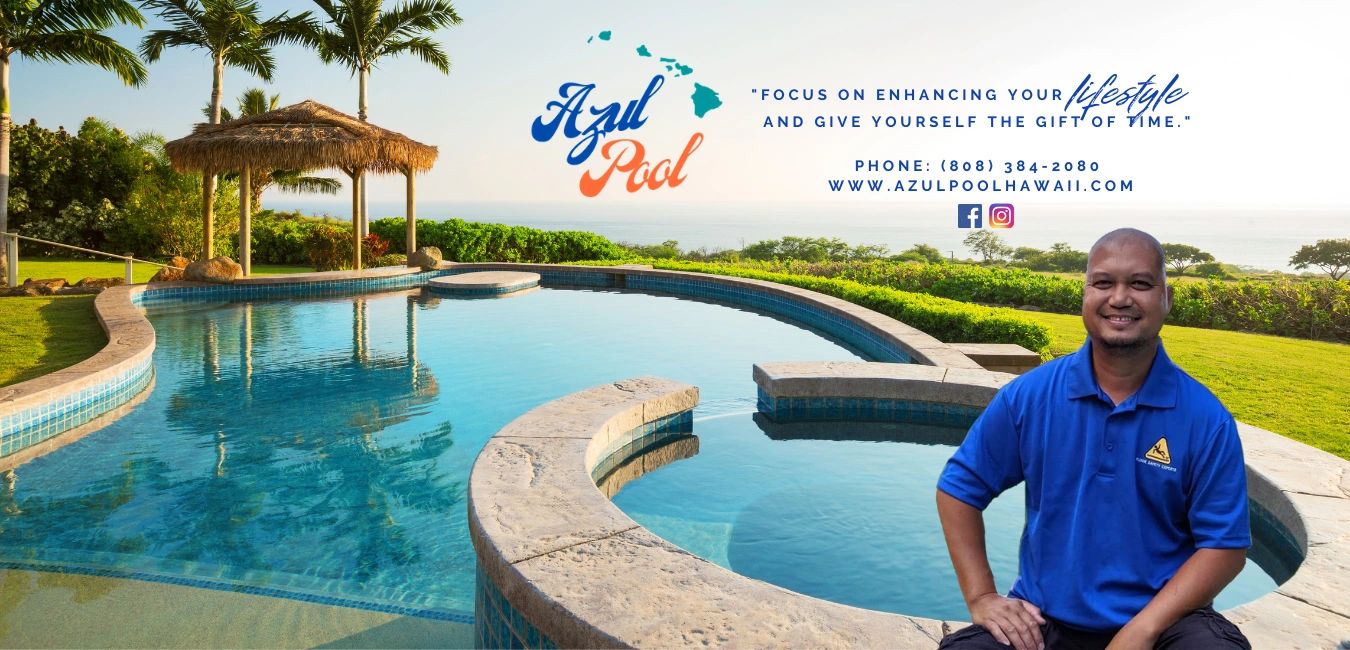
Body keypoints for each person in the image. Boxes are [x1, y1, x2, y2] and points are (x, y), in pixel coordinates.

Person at [935, 228, 1252, 650]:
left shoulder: (1204, 418)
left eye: (1140, 283)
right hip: (1045, 620)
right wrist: (981, 596)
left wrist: (1142, 630)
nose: (1120, 298)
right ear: (1085, 295)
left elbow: (1225, 546)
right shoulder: (1030, 396)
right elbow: (959, 489)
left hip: (1165, 623)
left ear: (1166, 298)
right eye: (1104, 283)